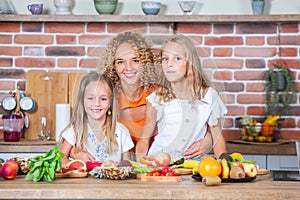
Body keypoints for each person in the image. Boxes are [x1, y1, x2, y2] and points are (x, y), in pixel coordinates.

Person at [98, 31, 213, 160]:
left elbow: (204, 121)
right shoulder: (106, 97)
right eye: (120, 62)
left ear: (145, 62)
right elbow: (84, 129)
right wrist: (74, 151)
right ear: (113, 66)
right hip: (119, 162)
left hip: (158, 162)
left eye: (135, 60)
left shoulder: (161, 94)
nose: (128, 67)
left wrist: (209, 140)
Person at [136, 34, 227, 161]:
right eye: (165, 59)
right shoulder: (157, 99)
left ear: (190, 63)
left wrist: (224, 166)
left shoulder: (208, 96)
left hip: (192, 166)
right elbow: (144, 141)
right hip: (159, 163)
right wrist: (142, 163)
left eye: (177, 58)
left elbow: (217, 139)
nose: (169, 64)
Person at [59, 71, 134, 165]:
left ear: (110, 102)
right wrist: (80, 163)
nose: (96, 103)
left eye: (103, 99)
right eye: (90, 98)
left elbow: (127, 163)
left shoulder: (121, 131)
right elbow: (60, 160)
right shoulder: (75, 130)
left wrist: (119, 167)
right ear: (82, 100)